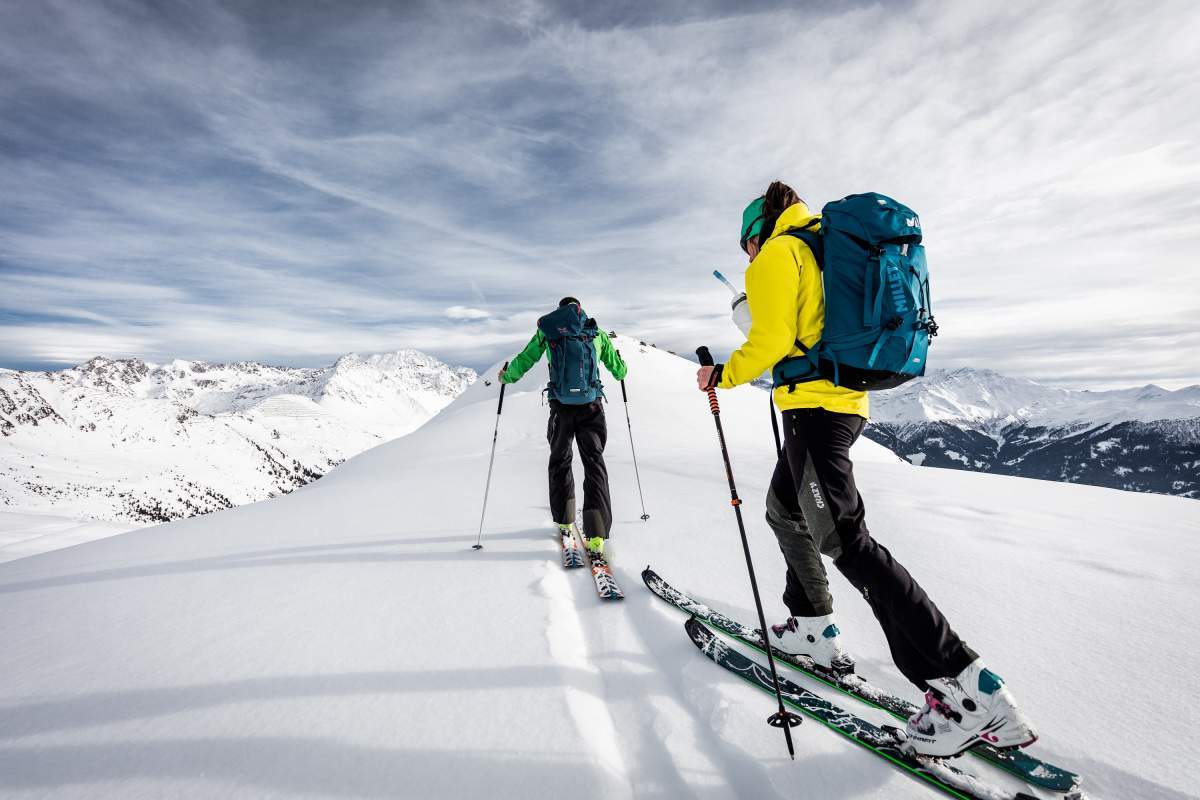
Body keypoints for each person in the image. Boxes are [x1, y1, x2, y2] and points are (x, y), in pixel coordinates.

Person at [694, 181, 1037, 758]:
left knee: (848, 542)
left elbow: (773, 338)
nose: (746, 258)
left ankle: (969, 692)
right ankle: (812, 627)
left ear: (756, 233)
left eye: (744, 246)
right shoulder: (823, 245)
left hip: (816, 411)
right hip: (844, 406)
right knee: (785, 511)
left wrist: (722, 376)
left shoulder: (779, 253)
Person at [500, 297, 627, 557]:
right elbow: (619, 370)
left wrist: (507, 375)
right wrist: (621, 367)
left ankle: (565, 521)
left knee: (560, 460)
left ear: (559, 311)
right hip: (591, 407)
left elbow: (526, 359)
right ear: (580, 309)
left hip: (560, 408)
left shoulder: (548, 332)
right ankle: (597, 535)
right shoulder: (595, 332)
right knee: (594, 463)